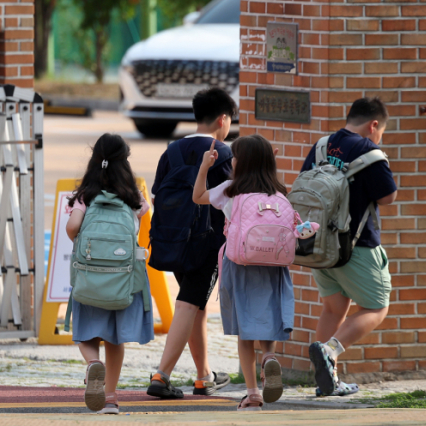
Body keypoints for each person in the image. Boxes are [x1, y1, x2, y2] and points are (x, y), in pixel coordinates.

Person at [300, 97, 397, 396]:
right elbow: (387, 198)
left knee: (333, 307)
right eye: (381, 131)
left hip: (318, 244)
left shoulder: (322, 146)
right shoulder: (371, 152)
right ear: (374, 125)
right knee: (377, 307)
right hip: (356, 246)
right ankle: (330, 351)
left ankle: (328, 381)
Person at [192, 135, 295, 411]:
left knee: (245, 331)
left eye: (235, 157)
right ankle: (270, 356)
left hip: (240, 264)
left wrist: (204, 166)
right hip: (273, 265)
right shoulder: (278, 192)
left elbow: (198, 196)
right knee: (268, 316)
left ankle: (253, 394)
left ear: (241, 162)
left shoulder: (231, 190)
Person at [147, 88, 234, 398]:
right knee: (188, 304)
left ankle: (203, 376)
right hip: (207, 245)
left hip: (173, 240)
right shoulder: (224, 154)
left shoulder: (170, 151)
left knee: (194, 305)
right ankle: (162, 375)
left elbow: (157, 196)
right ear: (223, 119)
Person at [65, 133, 154, 414]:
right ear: (125, 161)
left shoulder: (84, 195)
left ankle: (93, 365)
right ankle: (112, 397)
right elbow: (140, 223)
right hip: (123, 281)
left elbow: (72, 228)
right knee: (115, 339)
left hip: (90, 279)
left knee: (86, 335)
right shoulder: (133, 196)